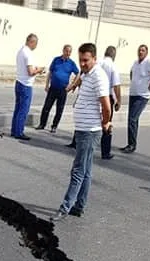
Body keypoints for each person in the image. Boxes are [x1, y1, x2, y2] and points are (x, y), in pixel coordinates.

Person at [53, 42, 111, 221]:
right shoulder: (87, 73)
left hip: (89, 131)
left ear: (95, 59)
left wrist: (105, 122)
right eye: (80, 60)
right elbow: (79, 78)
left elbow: (106, 106)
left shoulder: (99, 76)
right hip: (83, 129)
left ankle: (65, 207)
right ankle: (79, 206)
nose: (83, 64)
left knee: (77, 170)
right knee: (85, 171)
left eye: (86, 60)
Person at [122, 44, 150, 153]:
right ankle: (131, 143)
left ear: (146, 52)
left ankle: (132, 145)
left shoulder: (149, 62)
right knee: (132, 119)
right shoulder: (136, 62)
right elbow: (132, 72)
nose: (140, 52)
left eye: (143, 51)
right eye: (139, 50)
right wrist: (134, 82)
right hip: (134, 93)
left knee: (132, 119)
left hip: (142, 95)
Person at [37, 45, 79, 132]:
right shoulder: (56, 60)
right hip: (53, 88)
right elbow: (50, 72)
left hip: (63, 90)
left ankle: (54, 126)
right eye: (66, 51)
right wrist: (47, 84)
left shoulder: (71, 63)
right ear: (63, 50)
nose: (68, 53)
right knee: (46, 107)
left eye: (69, 52)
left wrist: (72, 85)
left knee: (59, 109)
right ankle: (42, 124)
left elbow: (78, 74)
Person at [12, 34, 45, 141]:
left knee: (17, 108)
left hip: (19, 82)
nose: (36, 46)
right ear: (32, 42)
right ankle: (19, 132)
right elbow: (30, 72)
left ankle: (14, 130)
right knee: (23, 109)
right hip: (26, 84)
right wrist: (39, 70)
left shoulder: (21, 51)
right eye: (36, 44)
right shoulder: (28, 54)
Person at [99, 45, 121, 159]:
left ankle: (76, 143)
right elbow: (116, 85)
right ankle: (105, 152)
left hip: (95, 95)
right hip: (106, 97)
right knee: (107, 123)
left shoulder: (97, 62)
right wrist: (119, 101)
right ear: (114, 55)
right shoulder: (113, 66)